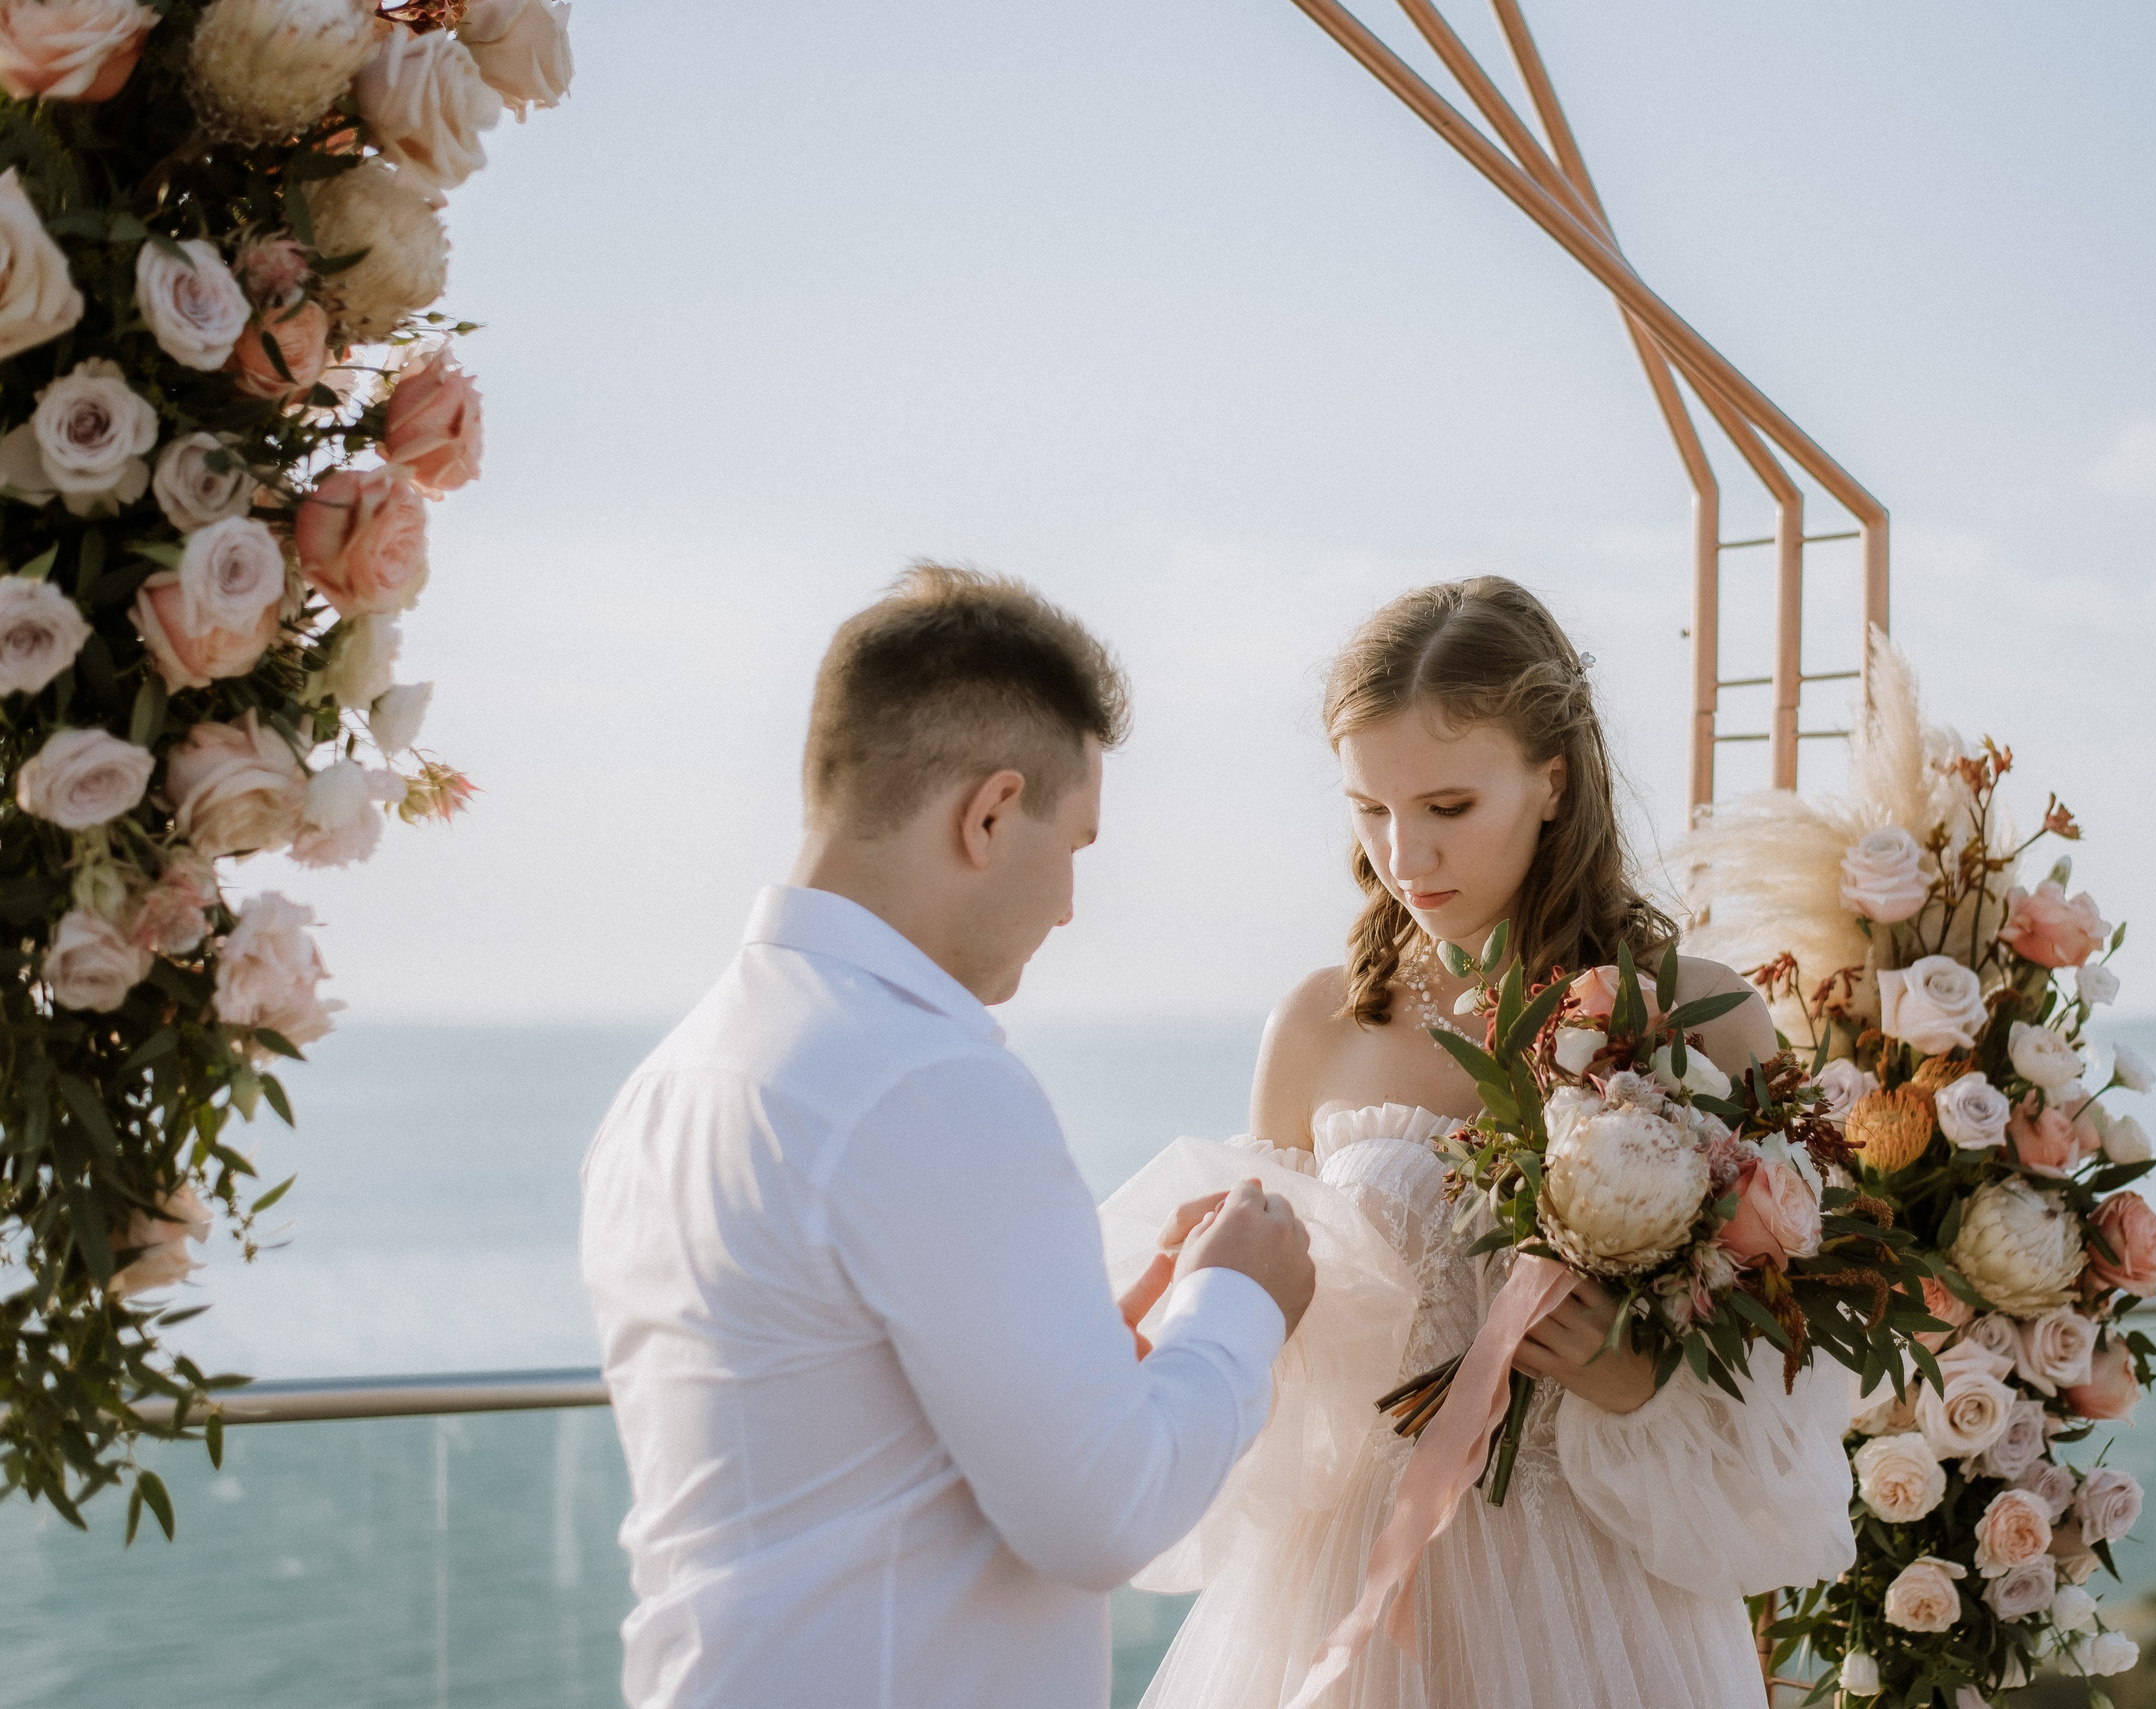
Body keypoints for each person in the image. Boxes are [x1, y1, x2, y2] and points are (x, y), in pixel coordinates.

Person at [1099, 577, 1857, 1708]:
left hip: (1601, 1605)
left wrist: (1641, 1380)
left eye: (1448, 805)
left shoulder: (1698, 1019)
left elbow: (1807, 1362)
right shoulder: (1319, 1027)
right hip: (1343, 1602)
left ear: (1552, 779)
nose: (1406, 854)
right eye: (1370, 808)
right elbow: (1266, 1370)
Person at [580, 564, 1318, 1709]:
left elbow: (829, 1438)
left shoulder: (675, 1076)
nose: (1070, 903)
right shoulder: (926, 1079)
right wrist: (1239, 1301)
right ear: (987, 813)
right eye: (1073, 842)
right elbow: (1105, 1513)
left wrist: (1100, 1335)